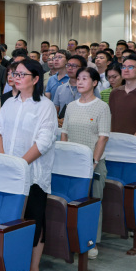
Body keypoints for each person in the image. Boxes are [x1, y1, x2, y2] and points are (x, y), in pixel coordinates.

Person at [0, 58, 57, 271]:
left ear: (36, 79)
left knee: (34, 220)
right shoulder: (8, 103)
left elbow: (44, 142)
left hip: (33, 175)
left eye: (22, 74)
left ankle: (33, 268)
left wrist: (19, 165)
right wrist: (5, 161)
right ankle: (10, 264)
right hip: (8, 172)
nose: (16, 78)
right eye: (14, 74)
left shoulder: (45, 106)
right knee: (10, 220)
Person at [60, 67, 111, 259]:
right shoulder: (71, 106)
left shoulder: (102, 107)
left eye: (85, 79)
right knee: (71, 202)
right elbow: (64, 133)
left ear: (95, 82)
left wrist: (94, 162)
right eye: (78, 79)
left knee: (92, 202)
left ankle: (91, 241)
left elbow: (103, 137)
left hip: (93, 163)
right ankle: (70, 238)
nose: (80, 82)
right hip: (72, 163)